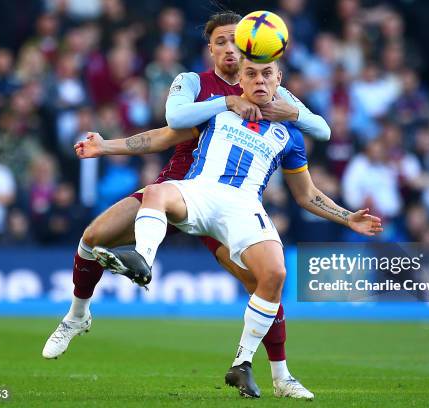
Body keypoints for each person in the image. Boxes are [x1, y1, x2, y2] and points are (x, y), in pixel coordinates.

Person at [42, 11, 330, 400]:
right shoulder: (194, 82)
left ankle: (280, 376)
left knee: (261, 282)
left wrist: (290, 111)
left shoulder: (267, 86)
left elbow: (320, 129)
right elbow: (171, 122)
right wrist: (224, 102)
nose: (230, 49)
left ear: (250, 44)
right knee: (93, 236)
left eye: (236, 41)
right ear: (210, 48)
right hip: (179, 189)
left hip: (230, 204)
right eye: (221, 42)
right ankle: (77, 316)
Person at [89, 56, 382, 398]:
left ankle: (243, 364)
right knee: (155, 192)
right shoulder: (216, 110)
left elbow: (306, 194)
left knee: (274, 273)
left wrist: (347, 218)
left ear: (279, 80)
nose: (259, 81)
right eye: (252, 74)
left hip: (244, 206)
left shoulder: (289, 135)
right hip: (200, 190)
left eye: (267, 74)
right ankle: (142, 258)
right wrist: (105, 146)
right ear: (240, 79)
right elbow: (161, 137)